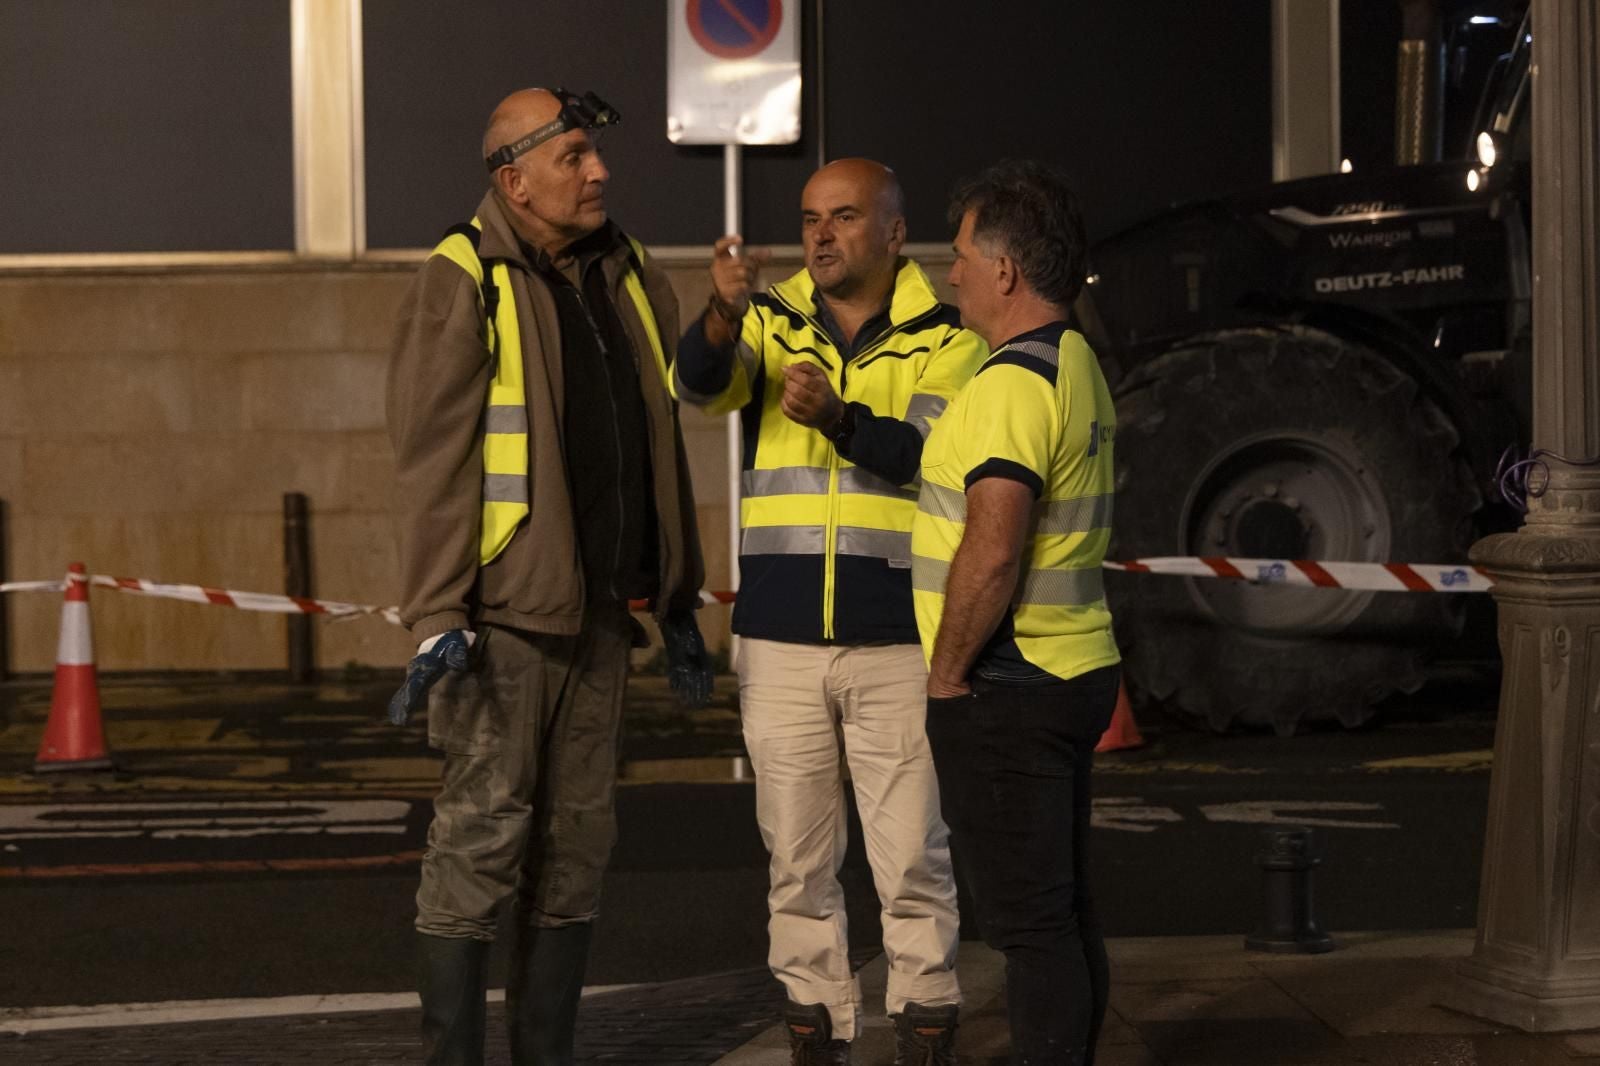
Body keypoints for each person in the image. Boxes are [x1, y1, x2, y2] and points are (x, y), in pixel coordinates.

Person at [385, 87, 710, 1066]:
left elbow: (659, 441)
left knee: (575, 857)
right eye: (572, 156)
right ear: (511, 176)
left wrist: (678, 595)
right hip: (506, 622)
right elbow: (434, 457)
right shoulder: (466, 273)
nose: (599, 171)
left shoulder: (626, 270)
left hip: (603, 615)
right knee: (480, 844)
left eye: (593, 155)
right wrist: (439, 609)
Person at [672, 158, 987, 1064]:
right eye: (811, 217)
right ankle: (818, 1033)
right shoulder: (769, 322)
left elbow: (930, 457)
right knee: (798, 865)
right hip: (779, 642)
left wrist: (843, 420)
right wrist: (724, 313)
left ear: (893, 233)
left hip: (896, 639)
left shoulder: (947, 337)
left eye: (844, 217)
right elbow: (700, 384)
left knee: (913, 862)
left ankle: (926, 1027)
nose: (820, 234)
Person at [911, 159, 1121, 1066]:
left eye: (960, 254)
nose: (947, 272)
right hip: (1071, 670)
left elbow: (993, 548)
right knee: (1064, 912)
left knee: (1030, 928)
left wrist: (947, 675)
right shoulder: (1074, 362)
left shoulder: (1008, 385)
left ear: (1005, 271)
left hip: (1008, 683)